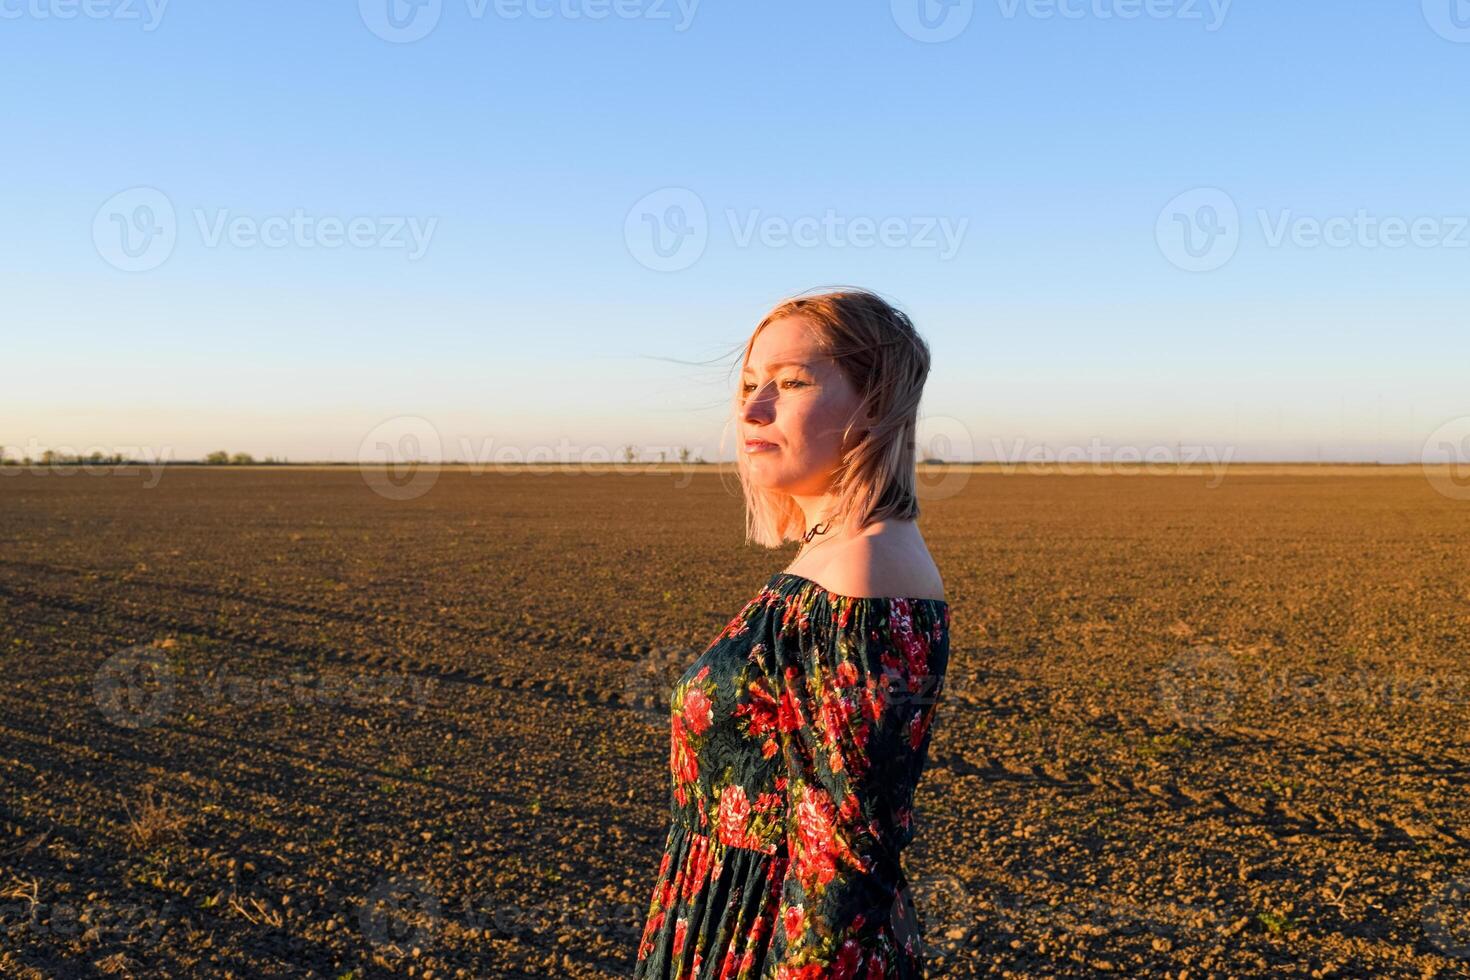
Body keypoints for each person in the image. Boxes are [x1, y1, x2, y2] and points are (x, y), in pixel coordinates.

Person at [633, 288, 952, 979]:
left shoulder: (860, 578)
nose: (752, 408)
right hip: (730, 924)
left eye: (791, 383)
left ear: (876, 401)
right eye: (748, 384)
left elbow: (843, 866)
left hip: (764, 944)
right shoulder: (839, 556)